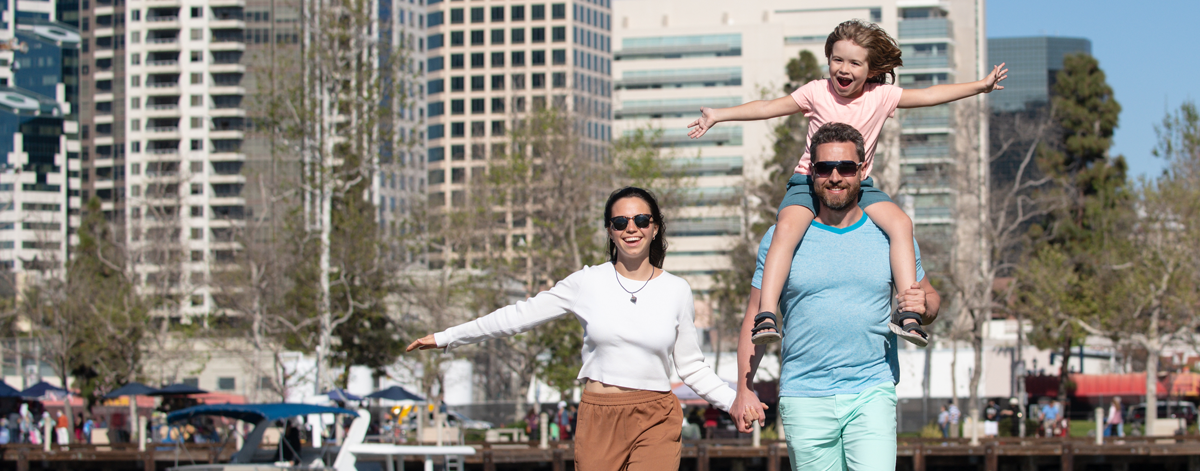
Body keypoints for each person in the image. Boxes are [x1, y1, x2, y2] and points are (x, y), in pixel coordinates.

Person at [687, 19, 1004, 349]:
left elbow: (929, 94)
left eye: (855, 62)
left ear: (870, 69)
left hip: (859, 185)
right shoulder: (816, 91)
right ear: (828, 60)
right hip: (810, 182)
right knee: (786, 230)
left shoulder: (881, 96)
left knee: (902, 223)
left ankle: (908, 313)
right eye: (837, 59)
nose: (844, 68)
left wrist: (979, 86)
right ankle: (767, 313)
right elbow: (768, 108)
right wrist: (719, 115)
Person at [406, 187, 753, 471]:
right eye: (620, 222)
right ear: (610, 231)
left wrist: (732, 402)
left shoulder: (677, 290)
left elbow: (692, 365)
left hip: (656, 414)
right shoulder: (587, 282)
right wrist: (447, 336)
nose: (631, 228)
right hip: (599, 416)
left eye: (641, 220)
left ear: (655, 227)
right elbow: (517, 317)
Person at [731, 123, 942, 471]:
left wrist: (926, 307)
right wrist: (744, 388)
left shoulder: (890, 234)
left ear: (862, 171)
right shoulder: (780, 238)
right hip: (804, 395)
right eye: (824, 168)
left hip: (871, 389)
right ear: (811, 173)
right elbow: (755, 312)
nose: (835, 177)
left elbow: (930, 297)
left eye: (845, 167)